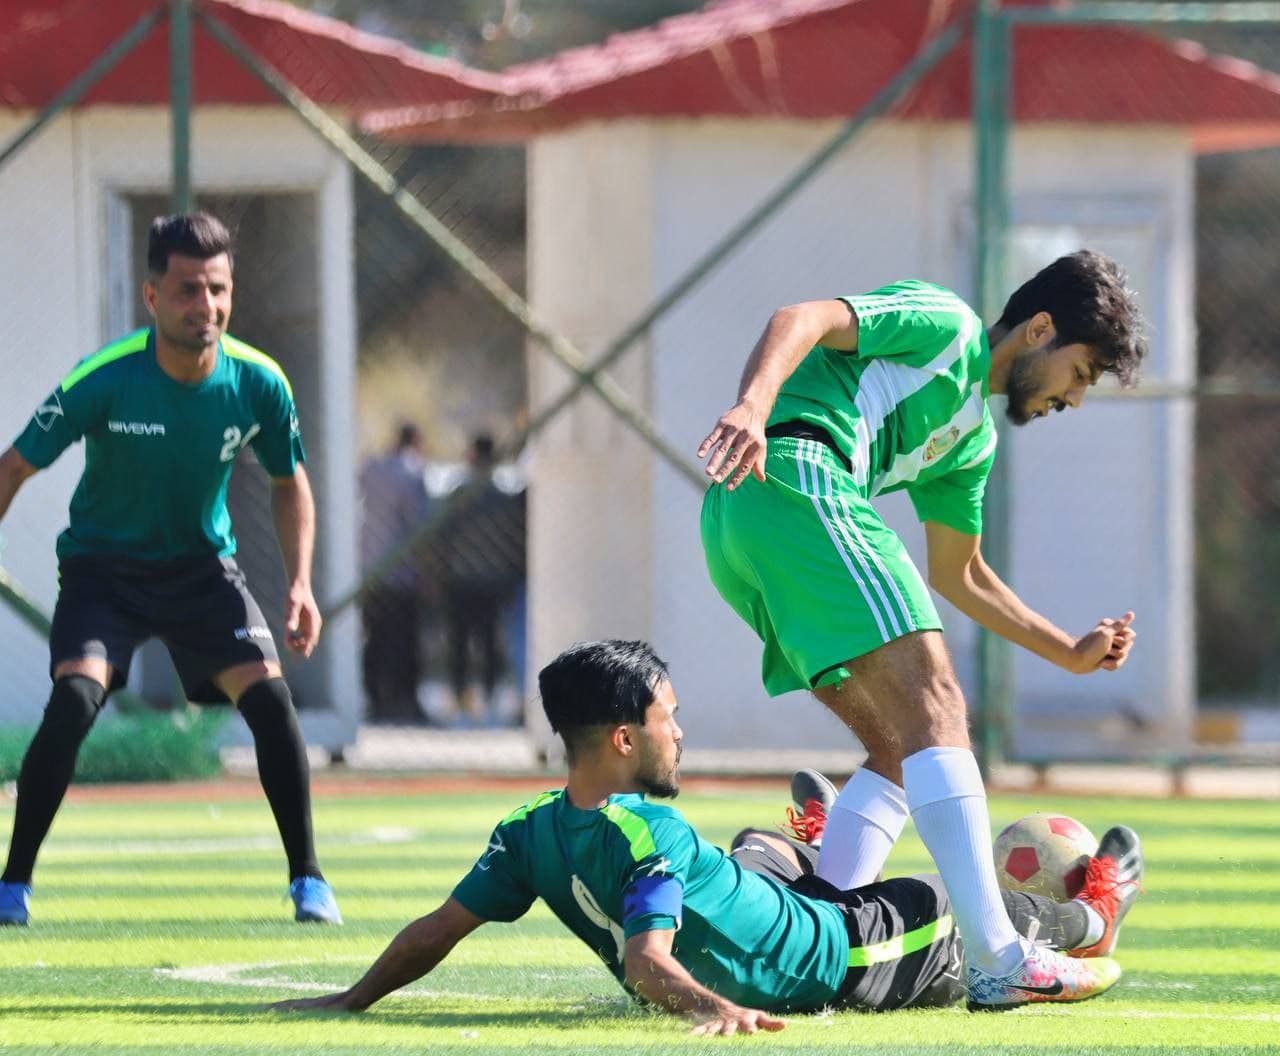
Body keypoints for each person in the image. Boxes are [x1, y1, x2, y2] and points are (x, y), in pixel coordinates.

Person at [269, 641, 1142, 1030]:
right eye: (669, 720)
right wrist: (717, 1010)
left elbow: (435, 931)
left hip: (778, 902)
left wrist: (351, 999)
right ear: (624, 739)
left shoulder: (527, 827)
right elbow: (648, 962)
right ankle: (1091, 913)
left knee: (757, 843)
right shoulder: (648, 830)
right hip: (846, 953)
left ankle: (818, 847)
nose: (680, 734)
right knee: (959, 904)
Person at [696, 251, 1145, 1005]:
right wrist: (751, 405)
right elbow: (802, 318)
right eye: (1081, 373)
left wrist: (1070, 652)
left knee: (900, 748)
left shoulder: (972, 443)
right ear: (1039, 329)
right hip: (796, 477)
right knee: (938, 708)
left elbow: (960, 572)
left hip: (745, 523)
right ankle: (999, 957)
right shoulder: (948, 327)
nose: (1074, 398)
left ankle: (813, 941)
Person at [0, 212, 340, 926]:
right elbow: (14, 467)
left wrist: (300, 582)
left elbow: (290, 482)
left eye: (217, 289)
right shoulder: (105, 378)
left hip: (203, 573)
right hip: (103, 573)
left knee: (272, 703)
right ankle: (12, 886)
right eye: (187, 290)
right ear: (152, 297)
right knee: (74, 700)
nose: (205, 306)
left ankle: (309, 881)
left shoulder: (259, 382)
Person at [437, 432, 526, 722]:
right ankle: (486, 697)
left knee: (460, 642)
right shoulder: (502, 497)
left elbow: (443, 537)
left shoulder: (459, 494)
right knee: (488, 642)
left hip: (462, 578)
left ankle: (460, 697)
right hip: (491, 579)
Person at [359, 422, 432, 724]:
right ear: (416, 440)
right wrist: (428, 571)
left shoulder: (372, 468)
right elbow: (419, 524)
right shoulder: (412, 470)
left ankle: (376, 699)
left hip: (371, 569)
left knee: (375, 638)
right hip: (401, 573)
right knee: (404, 641)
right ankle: (405, 701)